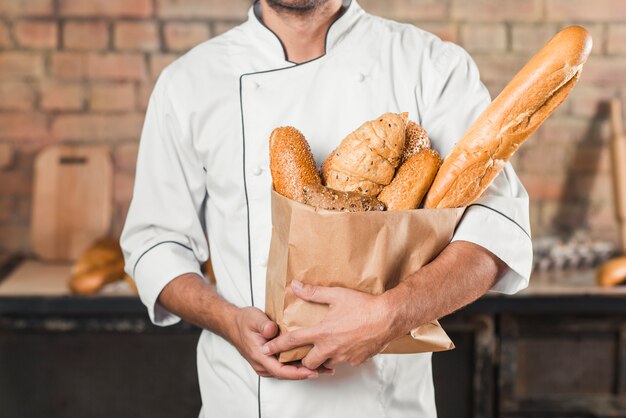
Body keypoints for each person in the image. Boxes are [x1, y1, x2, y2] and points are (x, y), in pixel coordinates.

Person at [120, 0, 532, 416]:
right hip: (243, 401)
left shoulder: (430, 65)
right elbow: (155, 243)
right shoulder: (188, 83)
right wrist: (226, 321)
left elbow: (496, 231)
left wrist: (391, 314)